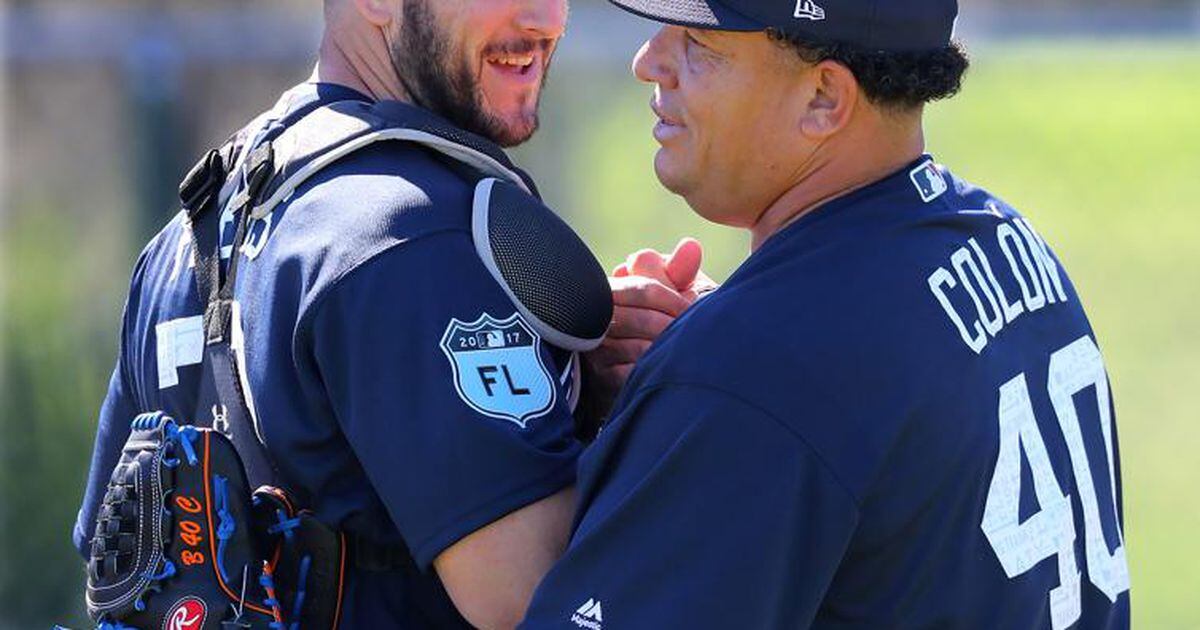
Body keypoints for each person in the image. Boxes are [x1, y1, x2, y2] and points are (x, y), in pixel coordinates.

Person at [72, 0, 698, 627]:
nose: (547, 18)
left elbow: (115, 567)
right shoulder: (415, 234)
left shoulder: (183, 239)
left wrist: (577, 382)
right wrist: (685, 403)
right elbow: (541, 600)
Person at [521, 0, 1132, 627]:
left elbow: (800, 390)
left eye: (702, 42)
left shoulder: (755, 372)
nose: (648, 62)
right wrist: (696, 386)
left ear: (824, 99)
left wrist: (703, 391)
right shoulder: (1006, 240)